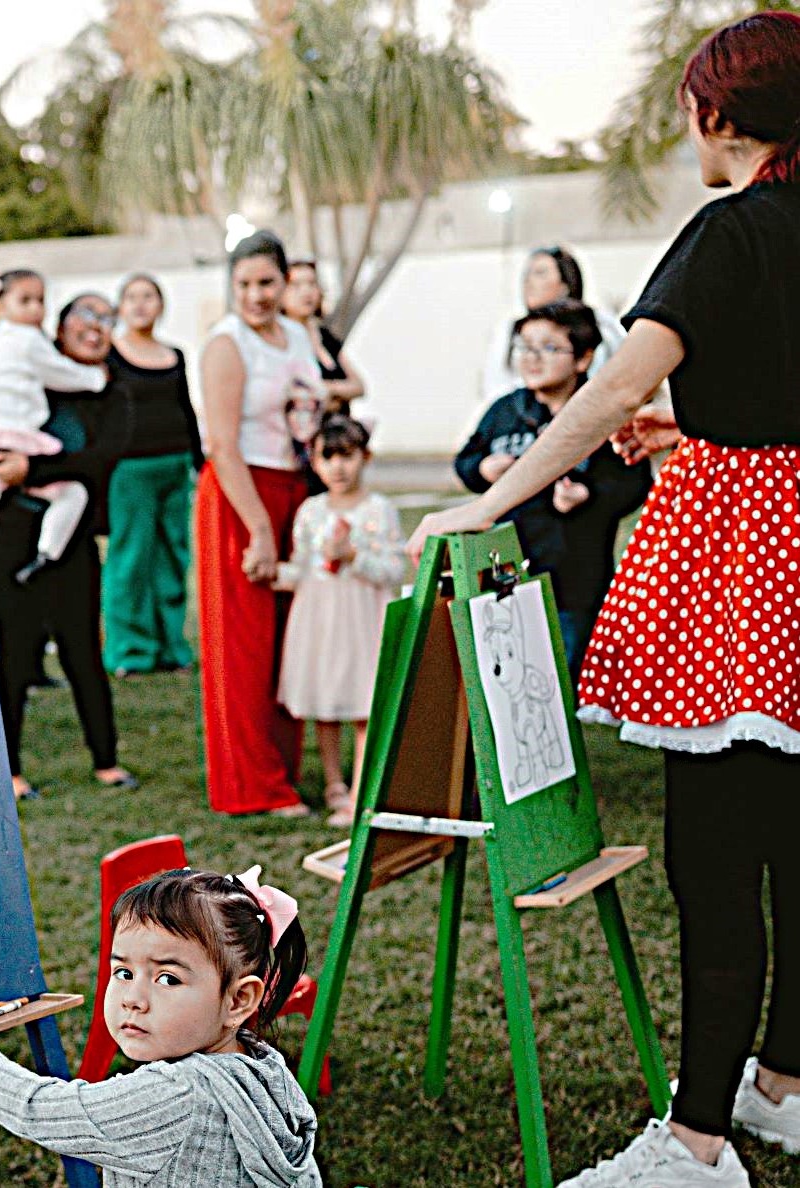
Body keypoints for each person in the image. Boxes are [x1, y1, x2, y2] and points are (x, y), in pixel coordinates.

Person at [413, 15, 800, 1186]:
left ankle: (695, 1143)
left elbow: (616, 378)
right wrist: (699, 426)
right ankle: (779, 1085)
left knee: (717, 860)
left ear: (716, 113)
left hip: (743, 567)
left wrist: (490, 502)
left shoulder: (728, 228)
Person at [0, 867, 321, 1187]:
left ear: (238, 1000)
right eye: (123, 973)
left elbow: (39, 1109)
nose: (133, 997)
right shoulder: (263, 1067)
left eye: (167, 978)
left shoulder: (175, 1095)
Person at [0, 292, 138, 799]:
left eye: (107, 318)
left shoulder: (112, 393)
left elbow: (100, 458)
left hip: (71, 541)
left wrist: (30, 469)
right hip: (10, 533)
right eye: (86, 315)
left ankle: (106, 758)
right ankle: (7, 768)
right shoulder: (23, 374)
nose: (96, 326)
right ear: (59, 328)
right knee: (11, 653)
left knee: (82, 650)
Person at [197, 231, 324, 817]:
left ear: (284, 280)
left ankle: (286, 770)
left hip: (291, 488)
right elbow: (222, 445)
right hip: (240, 495)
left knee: (287, 641)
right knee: (244, 646)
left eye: (266, 282)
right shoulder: (227, 344)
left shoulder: (297, 333)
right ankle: (252, 785)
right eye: (244, 284)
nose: (256, 294)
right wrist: (261, 531)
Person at [455, 300, 651, 667]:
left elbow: (635, 482)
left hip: (575, 580)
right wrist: (482, 469)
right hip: (508, 571)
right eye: (525, 347)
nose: (532, 358)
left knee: (561, 673)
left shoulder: (603, 415)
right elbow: (464, 460)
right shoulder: (505, 411)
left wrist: (589, 494)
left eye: (548, 348)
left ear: (583, 358)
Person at [275, 417, 404, 828]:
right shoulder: (310, 511)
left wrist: (353, 557)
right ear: (313, 462)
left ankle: (361, 791)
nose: (338, 468)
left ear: (364, 457)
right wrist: (271, 574)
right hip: (320, 616)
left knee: (364, 701)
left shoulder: (379, 510)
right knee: (325, 701)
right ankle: (334, 782)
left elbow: (393, 568)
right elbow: (300, 566)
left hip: (361, 616)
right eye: (327, 458)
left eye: (346, 457)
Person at [0, 268, 106, 583]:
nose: (35, 308)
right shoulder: (25, 340)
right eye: (25, 300)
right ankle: (47, 552)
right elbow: (61, 373)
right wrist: (97, 378)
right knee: (71, 494)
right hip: (14, 435)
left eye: (40, 301)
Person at [102, 273, 202, 676]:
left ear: (161, 305)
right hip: (129, 470)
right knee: (130, 560)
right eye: (132, 297)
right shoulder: (109, 353)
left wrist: (198, 461)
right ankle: (130, 651)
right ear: (121, 307)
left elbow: (187, 409)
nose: (141, 304)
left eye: (149, 297)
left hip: (175, 465)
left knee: (172, 558)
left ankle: (171, 648)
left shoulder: (174, 354)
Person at [480, 246, 629, 404]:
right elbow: (495, 386)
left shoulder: (599, 324)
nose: (528, 282)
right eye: (526, 275)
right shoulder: (509, 328)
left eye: (540, 273)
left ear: (565, 283)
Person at [281, 261, 365, 407]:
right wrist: (339, 392)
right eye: (296, 285)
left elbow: (359, 386)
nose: (306, 292)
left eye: (312, 283)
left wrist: (327, 388)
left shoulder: (324, 335)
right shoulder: (281, 339)